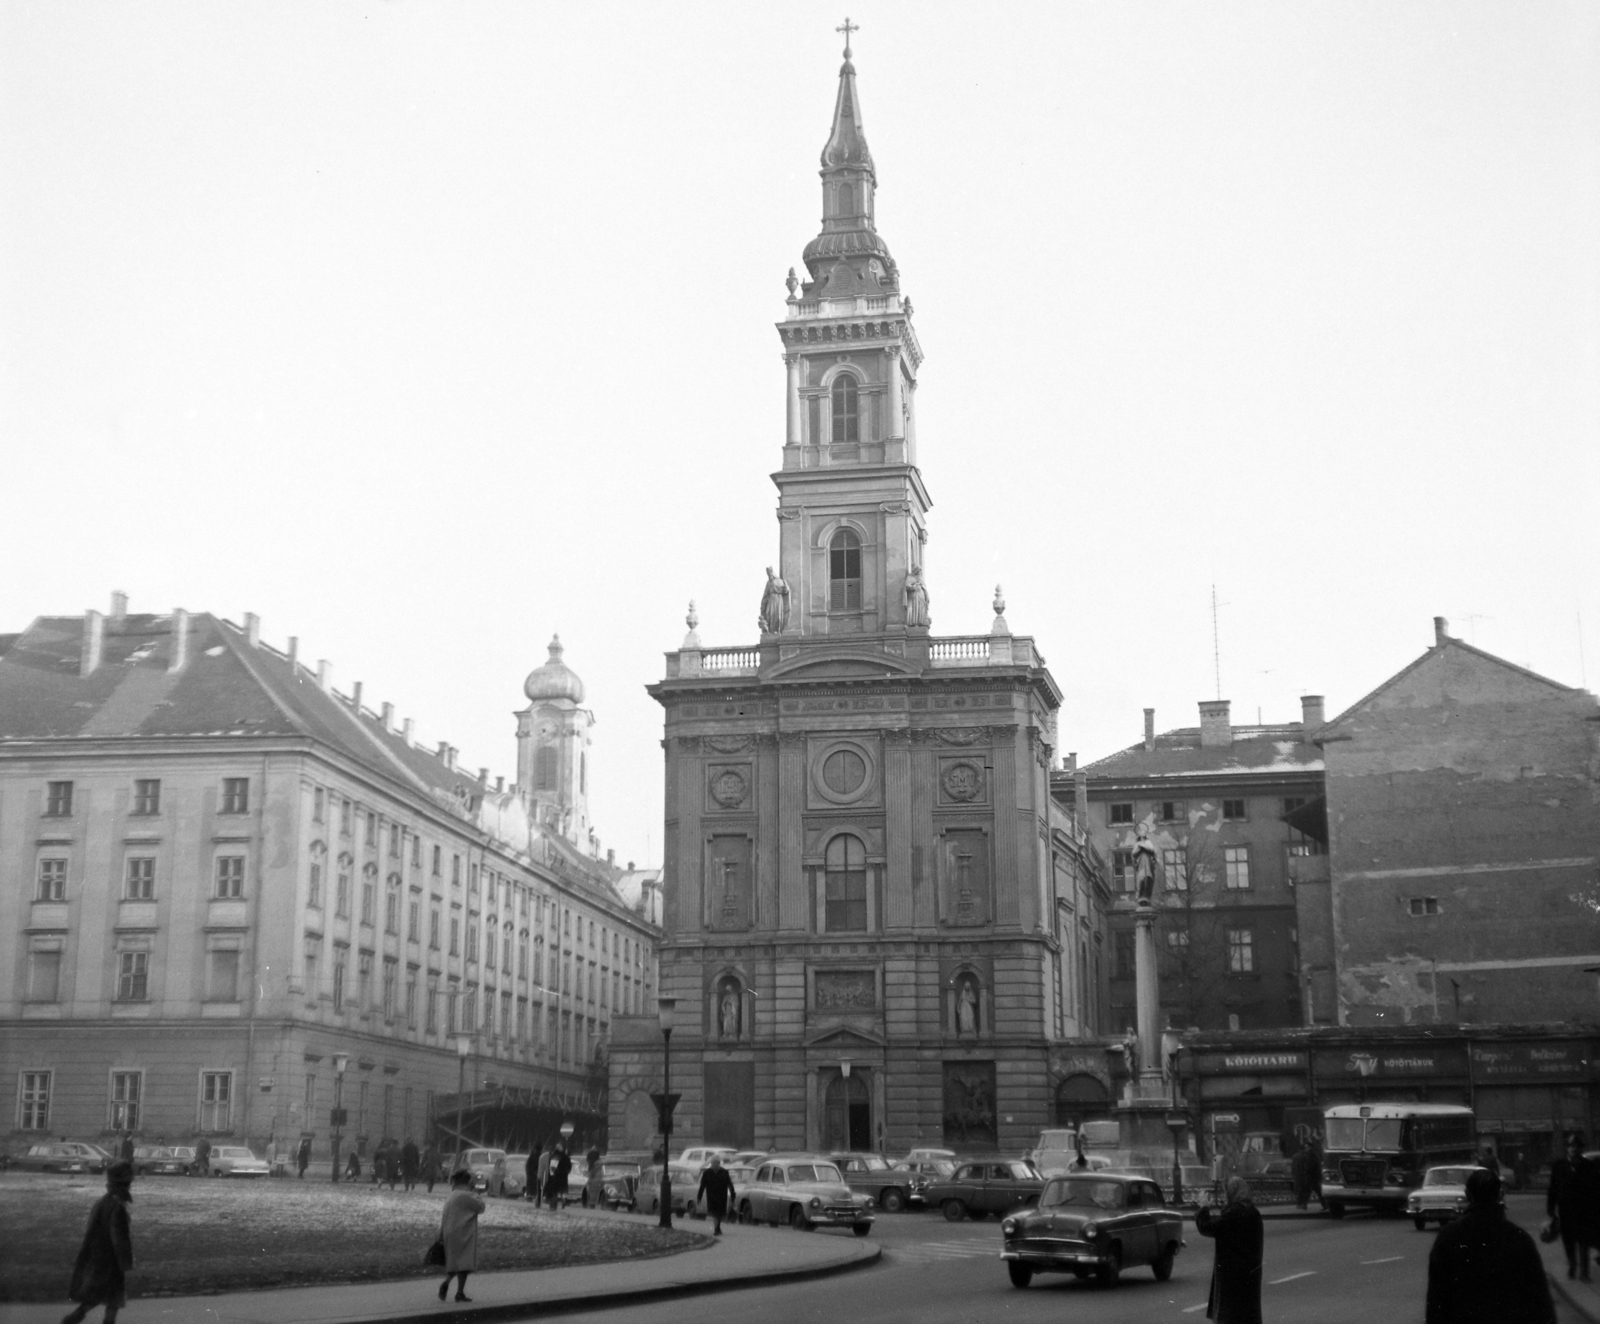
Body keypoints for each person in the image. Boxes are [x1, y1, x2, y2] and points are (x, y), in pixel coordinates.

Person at [1427, 1167, 1555, 1324]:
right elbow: (1538, 1296)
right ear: (1499, 1195)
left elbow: (1437, 1297)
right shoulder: (1518, 1238)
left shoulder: (1447, 1237)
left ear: (1468, 1195)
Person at [64, 1159, 135, 1324]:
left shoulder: (102, 1202)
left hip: (97, 1256)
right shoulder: (118, 1207)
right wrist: (126, 1261)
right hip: (112, 1260)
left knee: (98, 1294)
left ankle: (75, 1316)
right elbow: (120, 1238)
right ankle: (78, 1319)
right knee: (113, 1297)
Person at [1195, 1175, 1263, 1324]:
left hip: (1232, 1280)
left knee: (1231, 1316)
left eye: (1227, 1192)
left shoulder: (1234, 1213)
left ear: (1232, 1193)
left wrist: (1203, 1207)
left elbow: (1206, 1227)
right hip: (1250, 1277)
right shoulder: (1254, 1213)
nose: (1225, 1196)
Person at [1548, 1131, 1600, 1281]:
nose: (1573, 1149)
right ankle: (1572, 1265)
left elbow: (1595, 1189)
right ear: (1567, 1149)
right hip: (1565, 1211)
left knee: (1583, 1242)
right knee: (1568, 1241)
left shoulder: (1588, 1166)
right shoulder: (1559, 1166)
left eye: (1576, 1147)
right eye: (1571, 1146)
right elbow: (1553, 1188)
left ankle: (1584, 1272)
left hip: (1583, 1210)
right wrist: (1551, 1208)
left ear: (1580, 1149)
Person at [436, 1169, 485, 1304]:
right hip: (464, 1233)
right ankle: (459, 1293)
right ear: (468, 1181)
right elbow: (481, 1207)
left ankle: (447, 1282)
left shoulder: (452, 1196)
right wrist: (475, 1191)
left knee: (456, 1262)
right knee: (464, 1263)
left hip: (450, 1232)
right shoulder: (467, 1196)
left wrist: (440, 1234)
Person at [697, 1154, 736, 1236]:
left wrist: (732, 1194)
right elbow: (702, 1185)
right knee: (714, 1213)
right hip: (711, 1196)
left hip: (722, 1196)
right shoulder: (707, 1173)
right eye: (713, 1162)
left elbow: (729, 1184)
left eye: (717, 1162)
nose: (715, 1164)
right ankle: (716, 1229)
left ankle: (718, 1227)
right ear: (711, 1163)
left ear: (719, 1163)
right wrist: (699, 1196)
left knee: (720, 1214)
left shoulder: (724, 1172)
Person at [546, 1145, 571, 1211]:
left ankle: (553, 1205)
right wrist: (565, 1173)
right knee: (562, 1191)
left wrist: (554, 1174)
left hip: (555, 1177)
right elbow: (569, 1167)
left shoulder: (554, 1156)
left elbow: (552, 1168)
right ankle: (563, 1201)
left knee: (554, 1192)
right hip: (563, 1177)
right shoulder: (565, 1157)